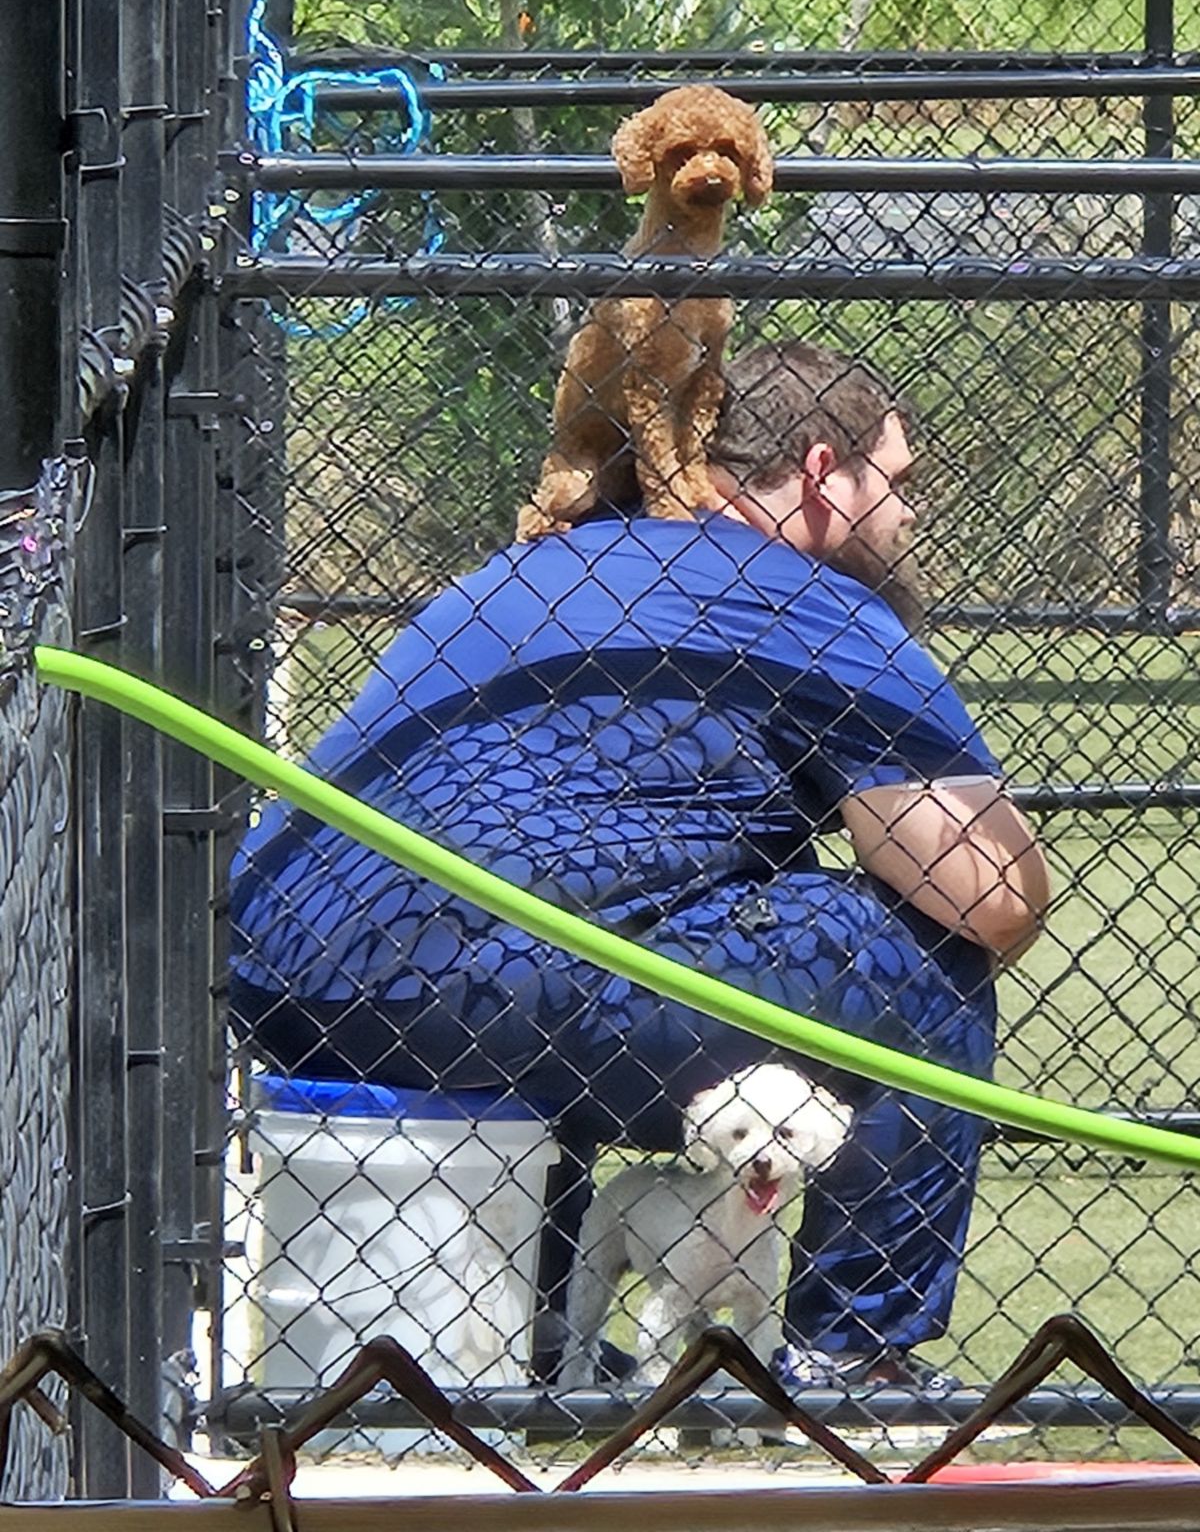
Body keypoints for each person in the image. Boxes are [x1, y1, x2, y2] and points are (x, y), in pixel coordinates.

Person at [229, 339, 1050, 1392]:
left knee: (598, 915)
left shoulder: (528, 560)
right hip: (508, 981)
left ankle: (531, 1347)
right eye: (897, 482)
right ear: (817, 471)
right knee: (921, 962)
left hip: (289, 970)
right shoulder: (816, 602)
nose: (911, 514)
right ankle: (852, 1348)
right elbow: (984, 897)